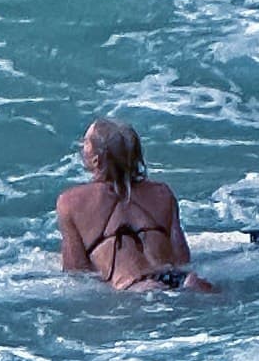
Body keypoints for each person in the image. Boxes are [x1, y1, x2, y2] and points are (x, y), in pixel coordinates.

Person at [57, 117, 210, 291]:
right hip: (178, 278)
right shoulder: (162, 193)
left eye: (85, 143)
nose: (81, 147)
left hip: (135, 285)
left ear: (96, 160)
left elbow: (77, 272)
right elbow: (182, 258)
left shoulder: (71, 202)